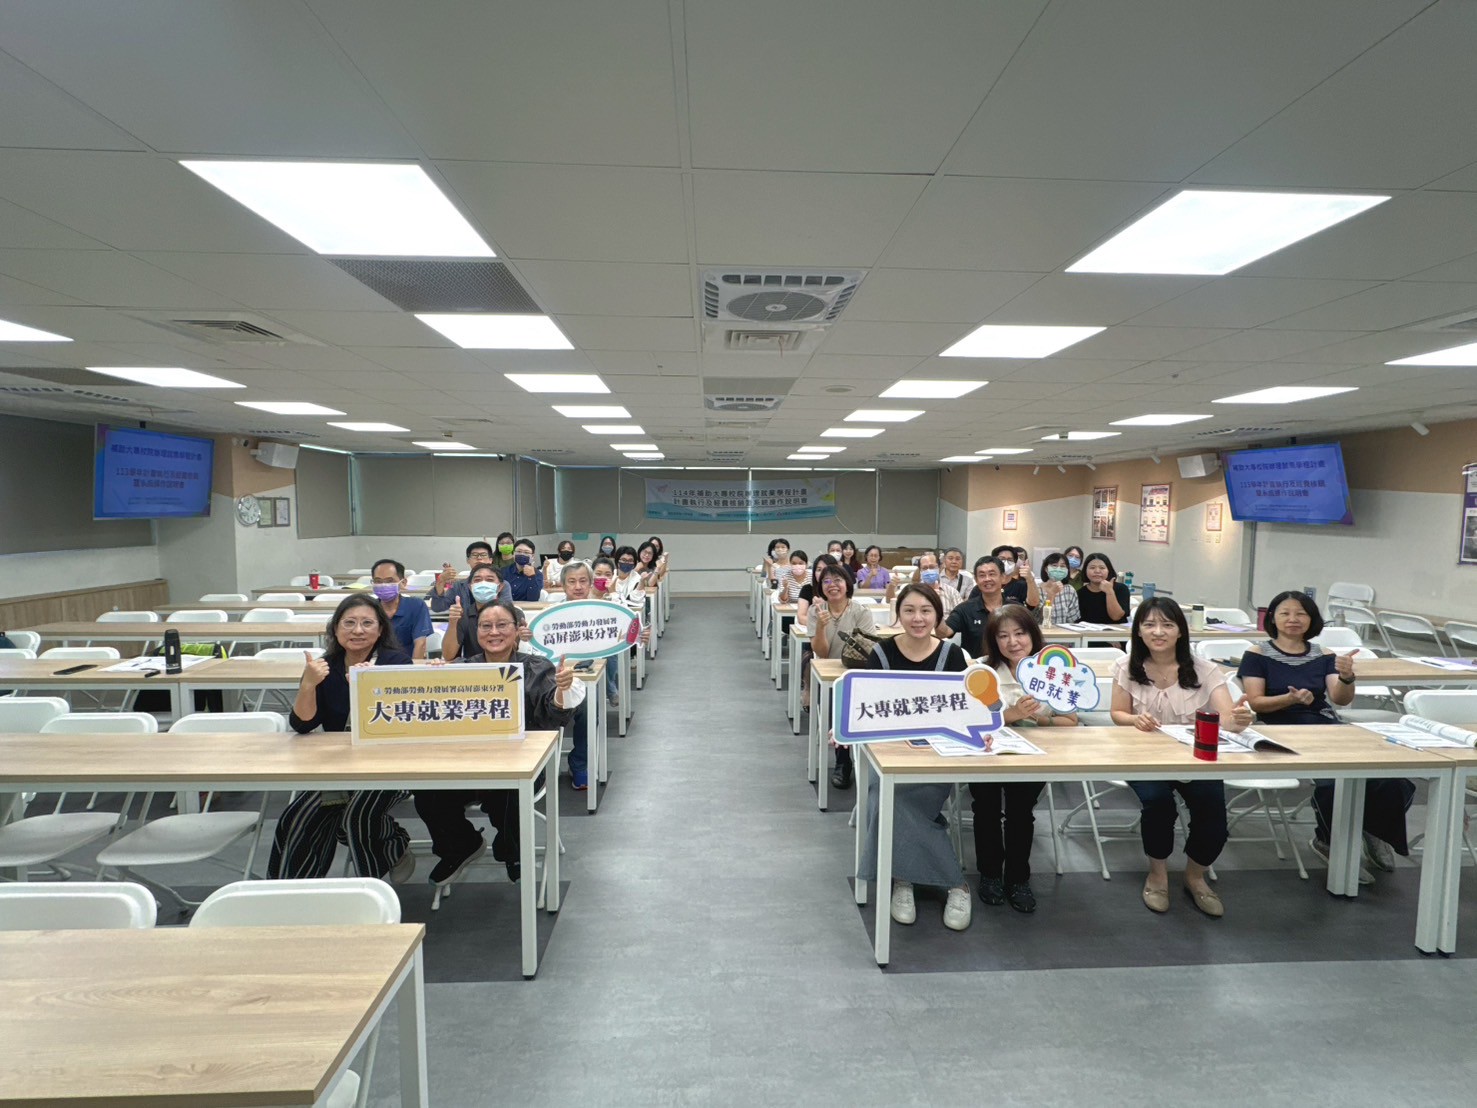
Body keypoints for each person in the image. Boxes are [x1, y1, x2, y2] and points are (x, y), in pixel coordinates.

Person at [1237, 591, 1410, 883]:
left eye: (1300, 613)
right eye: (1285, 613)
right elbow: (1256, 703)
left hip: (1325, 725)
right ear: (1273, 619)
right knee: (1334, 780)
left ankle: (1373, 828)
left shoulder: (1324, 654)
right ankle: (1327, 842)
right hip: (1279, 727)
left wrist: (1346, 677)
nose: (1293, 619)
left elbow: (1340, 699)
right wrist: (1289, 700)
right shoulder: (1257, 654)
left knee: (1390, 776)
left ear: (1312, 619)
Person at [414, 601, 581, 886]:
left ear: (517, 630)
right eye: (485, 626)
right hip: (466, 764)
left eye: (502, 625)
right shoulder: (462, 668)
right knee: (427, 793)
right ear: (476, 631)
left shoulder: (537, 668)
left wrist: (562, 691)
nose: (494, 632)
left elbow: (555, 714)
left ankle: (513, 852)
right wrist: (434, 677)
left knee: (507, 792)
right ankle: (462, 845)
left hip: (523, 765)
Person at [1110, 597, 1253, 918]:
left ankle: (1195, 876)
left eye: (1167, 624)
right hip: (1143, 753)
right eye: (1149, 624)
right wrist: (1135, 719)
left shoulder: (1204, 670)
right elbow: (1117, 713)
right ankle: (1157, 875)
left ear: (1180, 631)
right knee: (1158, 803)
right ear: (1138, 631)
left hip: (1194, 755)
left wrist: (1239, 719)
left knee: (1212, 810)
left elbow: (1227, 718)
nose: (1158, 632)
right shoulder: (1126, 666)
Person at [267, 594, 415, 882]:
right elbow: (303, 724)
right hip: (338, 766)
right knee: (296, 818)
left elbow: (405, 722)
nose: (357, 630)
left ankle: (375, 882)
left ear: (380, 630)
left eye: (367, 623)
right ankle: (291, 893)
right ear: (335, 629)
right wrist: (308, 685)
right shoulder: (324, 666)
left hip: (390, 766)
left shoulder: (395, 662)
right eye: (349, 623)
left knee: (356, 818)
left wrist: (370, 687)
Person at [858, 583, 974, 932]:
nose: (918, 618)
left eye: (926, 610)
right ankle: (951, 882)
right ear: (898, 614)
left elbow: (964, 710)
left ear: (938, 615)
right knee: (885, 793)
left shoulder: (953, 656)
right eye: (909, 610)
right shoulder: (881, 654)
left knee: (896, 801)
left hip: (937, 754)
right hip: (889, 750)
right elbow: (866, 706)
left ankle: (903, 876)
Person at [970, 605, 1078, 913]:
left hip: (1034, 754)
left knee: (1020, 812)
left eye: (1020, 633)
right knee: (986, 809)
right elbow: (971, 719)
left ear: (1033, 634)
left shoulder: (1054, 671)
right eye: (1003, 636)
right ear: (994, 640)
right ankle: (990, 874)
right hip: (987, 754)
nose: (1013, 642)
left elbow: (1070, 721)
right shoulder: (981, 670)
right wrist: (1012, 714)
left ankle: (1018, 878)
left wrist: (1039, 720)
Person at [808, 563, 878, 790]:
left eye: (837, 580)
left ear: (847, 584)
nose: (832, 585)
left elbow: (867, 648)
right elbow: (822, 653)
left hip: (858, 671)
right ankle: (843, 762)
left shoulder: (860, 611)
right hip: (830, 671)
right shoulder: (815, 611)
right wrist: (820, 627)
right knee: (836, 703)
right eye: (826, 581)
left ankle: (868, 758)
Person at [941, 556, 1011, 656]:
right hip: (975, 664)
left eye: (992, 574)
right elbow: (945, 632)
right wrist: (935, 606)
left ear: (1003, 577)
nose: (987, 579)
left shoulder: (1015, 609)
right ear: (976, 580)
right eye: (982, 575)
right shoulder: (965, 609)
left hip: (1009, 664)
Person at [369, 558, 433, 659]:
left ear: (403, 582)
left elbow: (420, 644)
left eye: (390, 581)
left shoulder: (416, 606)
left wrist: (413, 667)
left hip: (407, 664)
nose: (383, 585)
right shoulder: (369, 609)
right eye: (378, 581)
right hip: (374, 665)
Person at [442, 563, 504, 660]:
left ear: (500, 587)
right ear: (470, 587)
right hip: (472, 667)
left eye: (489, 580)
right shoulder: (462, 615)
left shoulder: (512, 614)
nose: (483, 584)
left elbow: (513, 650)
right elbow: (448, 656)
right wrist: (453, 623)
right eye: (477, 580)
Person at [426, 539, 509, 612]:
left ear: (490, 560)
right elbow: (438, 607)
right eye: (474, 555)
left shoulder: (502, 585)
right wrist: (440, 582)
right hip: (466, 624)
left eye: (483, 555)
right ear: (468, 560)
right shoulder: (459, 586)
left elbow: (507, 610)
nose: (479, 558)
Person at [1077, 551, 1129, 626]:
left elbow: (1116, 617)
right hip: (1089, 632)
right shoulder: (1081, 593)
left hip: (1117, 632)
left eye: (1102, 568)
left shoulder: (1121, 589)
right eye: (1092, 568)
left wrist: (1109, 592)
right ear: (1085, 571)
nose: (1097, 571)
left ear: (1109, 570)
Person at [991, 544, 1040, 609]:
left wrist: (1030, 579)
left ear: (1015, 563)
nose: (1006, 563)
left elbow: (1033, 604)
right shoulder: (987, 584)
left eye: (1010, 560)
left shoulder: (1021, 585)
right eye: (1002, 559)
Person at [1039, 553, 1081, 624]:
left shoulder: (1070, 590)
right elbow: (1039, 618)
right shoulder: (1038, 589)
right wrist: (1051, 595)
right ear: (1046, 569)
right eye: (1054, 565)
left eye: (1062, 566)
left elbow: (1073, 619)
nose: (1058, 569)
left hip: (1063, 630)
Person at [505, 538, 544, 603]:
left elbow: (534, 599)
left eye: (526, 552)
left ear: (532, 556)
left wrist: (531, 577)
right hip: (506, 607)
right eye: (519, 551)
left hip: (526, 608)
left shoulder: (537, 574)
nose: (522, 554)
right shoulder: (504, 571)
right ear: (513, 554)